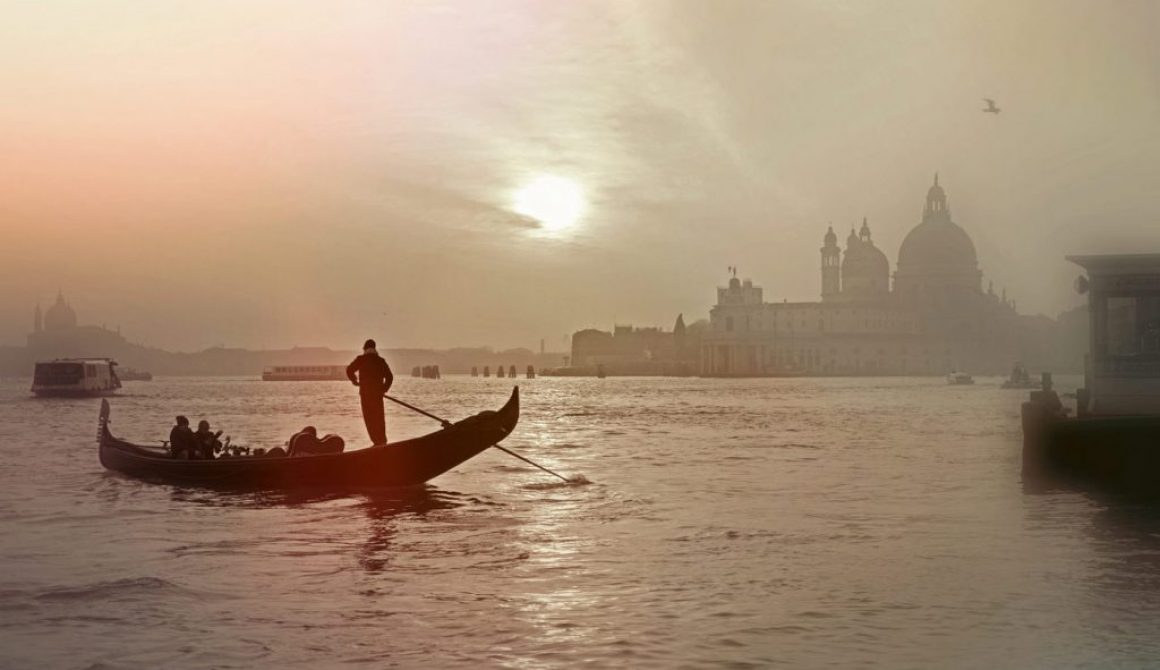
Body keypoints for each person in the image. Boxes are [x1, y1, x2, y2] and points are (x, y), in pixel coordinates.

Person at [347, 338, 394, 444]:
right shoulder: (380, 361)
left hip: (365, 395)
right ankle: (382, 442)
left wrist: (355, 381)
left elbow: (349, 370)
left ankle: (376, 442)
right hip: (377, 395)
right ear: (374, 349)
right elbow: (390, 377)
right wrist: (383, 389)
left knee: (369, 419)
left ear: (365, 349)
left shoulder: (361, 359)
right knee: (379, 419)